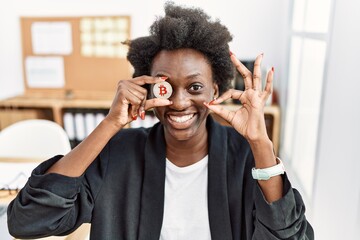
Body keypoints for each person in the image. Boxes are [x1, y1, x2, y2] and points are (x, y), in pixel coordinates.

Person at [7, 2, 314, 240]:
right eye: (165, 87)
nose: (179, 103)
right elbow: (28, 219)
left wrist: (261, 145)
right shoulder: (119, 155)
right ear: (148, 88)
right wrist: (110, 124)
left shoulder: (247, 159)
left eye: (195, 87)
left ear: (216, 90)